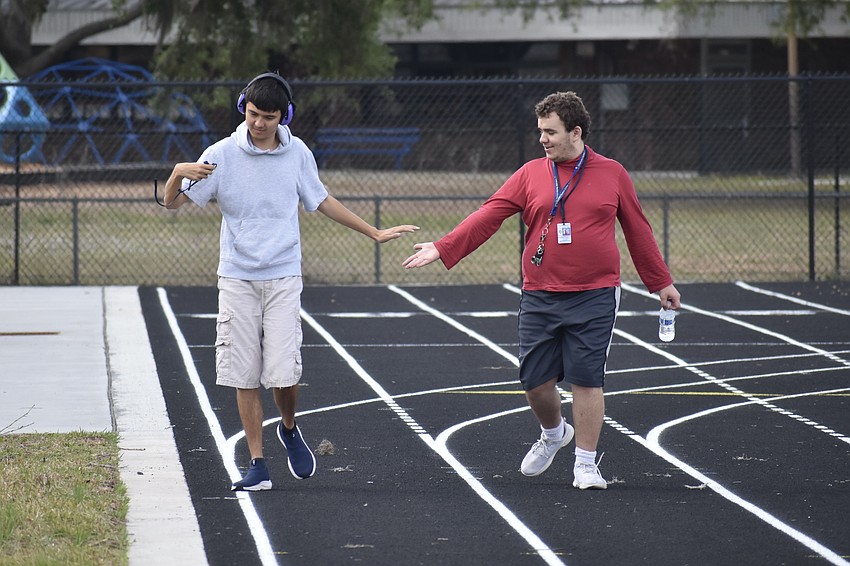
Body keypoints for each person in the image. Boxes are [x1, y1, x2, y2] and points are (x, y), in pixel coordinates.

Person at [403, 91, 680, 490]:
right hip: (540, 293)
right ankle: (554, 434)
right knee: (534, 381)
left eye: (551, 132)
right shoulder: (531, 173)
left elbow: (638, 230)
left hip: (595, 294)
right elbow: (489, 215)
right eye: (540, 131)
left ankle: (585, 464)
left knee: (587, 379)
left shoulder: (612, 173)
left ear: (576, 132)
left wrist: (660, 283)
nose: (543, 139)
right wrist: (443, 246)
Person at [163, 72, 418, 491]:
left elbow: (321, 199)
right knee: (243, 374)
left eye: (268, 116)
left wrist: (373, 232)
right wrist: (175, 174)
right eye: (252, 113)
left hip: (283, 275)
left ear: (285, 116)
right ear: (242, 108)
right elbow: (172, 205)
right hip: (237, 278)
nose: (259, 123)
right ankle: (258, 464)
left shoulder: (297, 152)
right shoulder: (221, 154)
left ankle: (288, 426)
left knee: (284, 374)